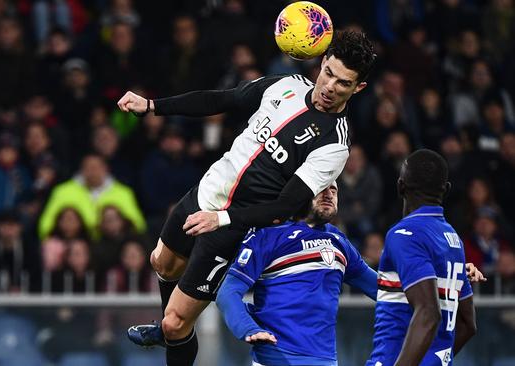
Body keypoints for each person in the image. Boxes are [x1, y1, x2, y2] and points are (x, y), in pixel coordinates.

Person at [119, 30, 376, 365]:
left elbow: (285, 207)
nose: (329, 87)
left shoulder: (334, 145)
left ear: (358, 88)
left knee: (175, 322)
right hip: (207, 193)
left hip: (232, 226)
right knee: (161, 263)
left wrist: (221, 219)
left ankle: (174, 330)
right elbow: (222, 99)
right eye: (328, 73)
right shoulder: (287, 84)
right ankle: (173, 333)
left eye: (343, 83)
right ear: (321, 63)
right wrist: (153, 106)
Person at [217, 183, 377, 366]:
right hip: (275, 357)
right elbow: (227, 292)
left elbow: (381, 288)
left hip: (326, 360)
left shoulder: (339, 241)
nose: (329, 195)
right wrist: (247, 328)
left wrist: (413, 293)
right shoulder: (268, 234)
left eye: (333, 190)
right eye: (322, 188)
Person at [366, 149, 478, 365]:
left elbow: (428, 313)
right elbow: (467, 324)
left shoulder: (403, 235)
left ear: (400, 186)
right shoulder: (453, 240)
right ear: (446, 190)